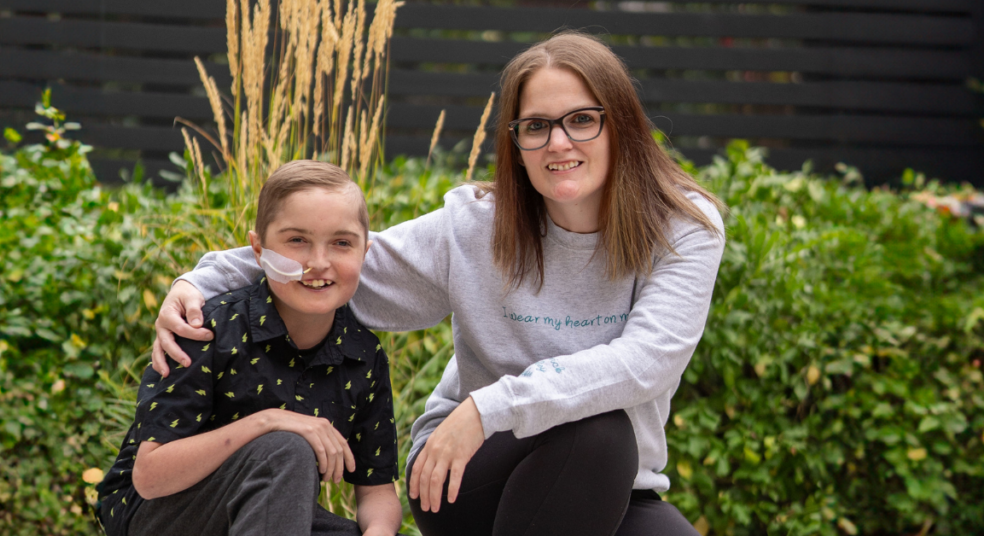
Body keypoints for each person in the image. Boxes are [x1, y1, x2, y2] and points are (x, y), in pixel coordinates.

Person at [153, 32, 724, 536]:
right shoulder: (477, 226)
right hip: (463, 471)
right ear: (516, 143)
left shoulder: (682, 228)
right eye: (536, 126)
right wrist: (199, 280)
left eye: (581, 119)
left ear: (619, 123)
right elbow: (336, 264)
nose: (558, 143)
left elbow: (646, 362)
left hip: (614, 483)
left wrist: (488, 406)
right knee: (598, 432)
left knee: (600, 440)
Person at [96, 161, 402, 536]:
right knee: (285, 449)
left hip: (265, 512)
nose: (319, 263)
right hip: (158, 513)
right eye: (297, 240)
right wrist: (267, 421)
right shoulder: (206, 328)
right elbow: (149, 477)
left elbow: (377, 493)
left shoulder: (364, 354)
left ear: (364, 252)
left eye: (341, 243)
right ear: (257, 249)